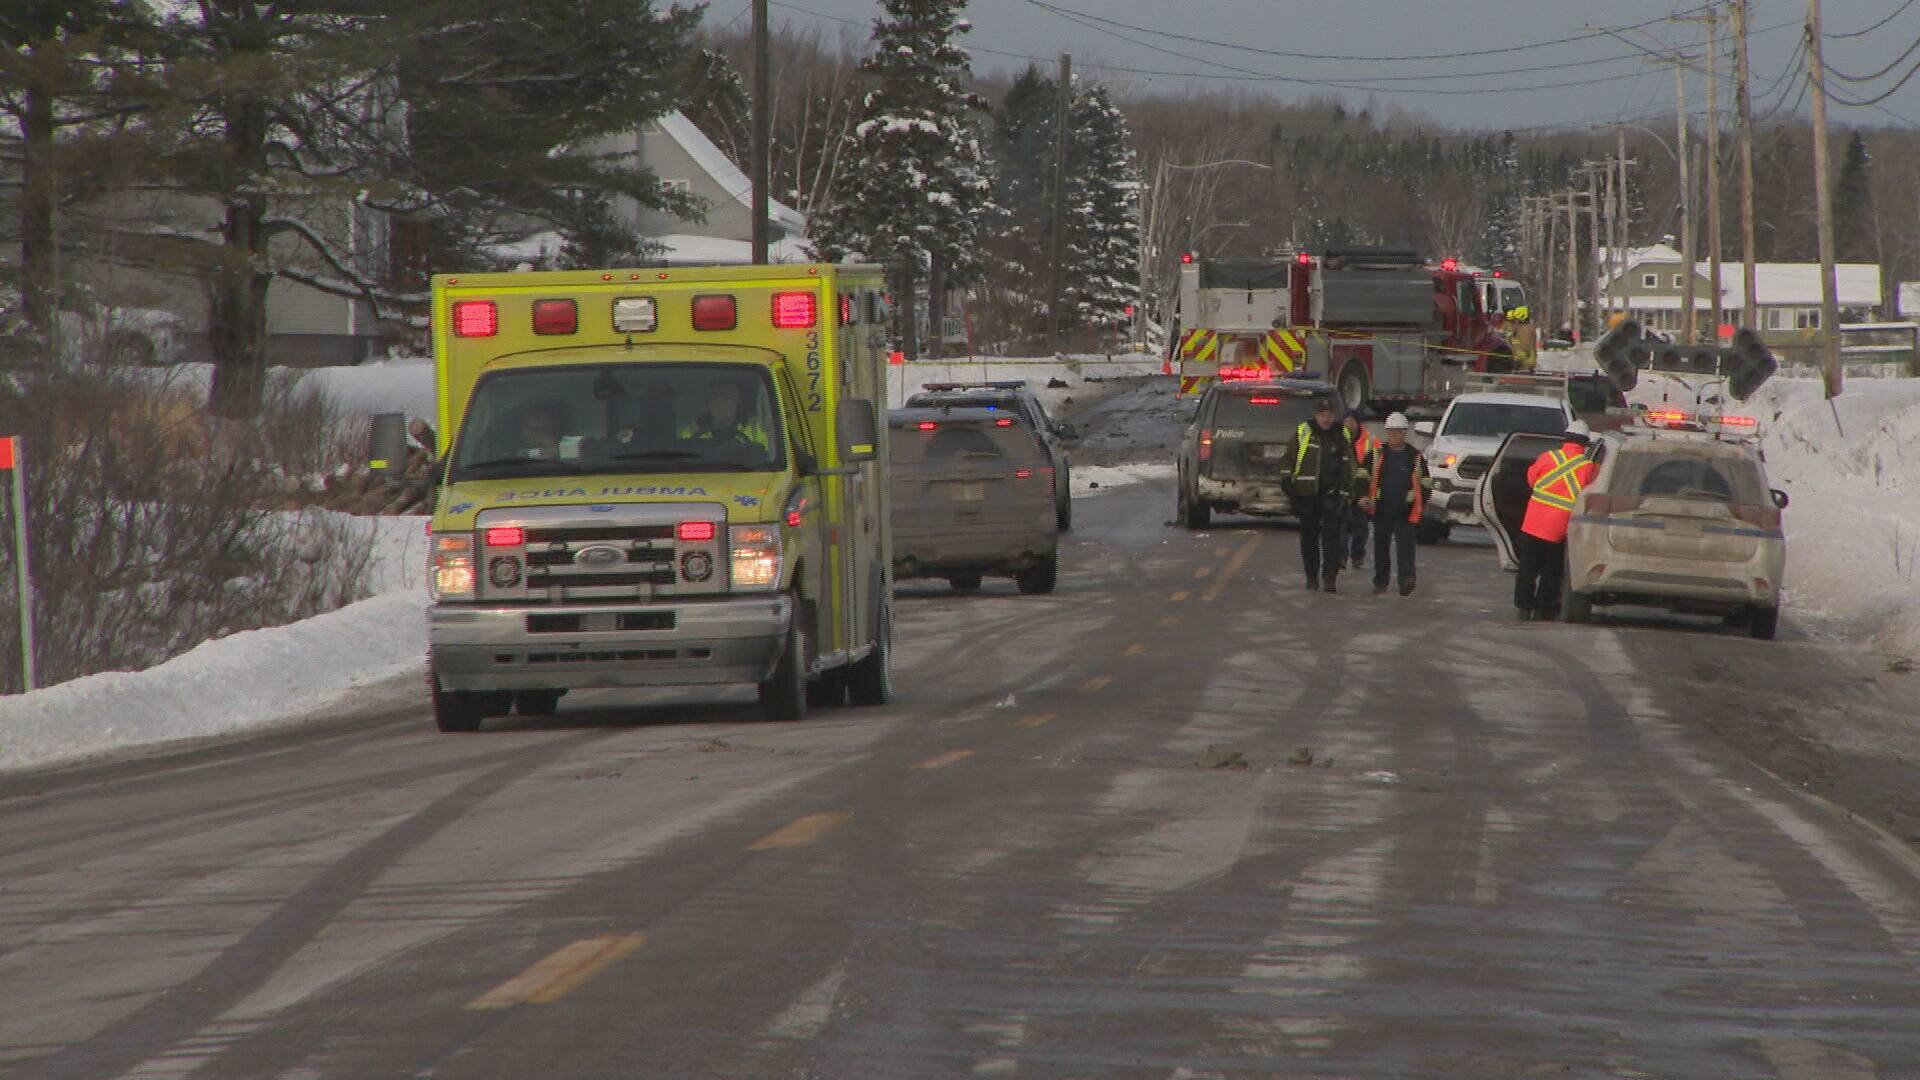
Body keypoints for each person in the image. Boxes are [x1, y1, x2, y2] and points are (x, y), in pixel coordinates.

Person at [1514, 419, 1597, 621]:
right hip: (1560, 528)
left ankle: (1524, 608)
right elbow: (1593, 495)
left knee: (1527, 568)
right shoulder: (1589, 467)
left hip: (1532, 523)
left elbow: (1531, 480)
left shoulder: (1547, 457)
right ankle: (1544, 608)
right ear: (1585, 444)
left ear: (1565, 438)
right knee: (1552, 570)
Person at [1356, 412, 1432, 596]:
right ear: (1387, 432)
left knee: (1406, 548)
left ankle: (1406, 581)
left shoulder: (1415, 457)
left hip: (1405, 511)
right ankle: (1381, 582)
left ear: (1405, 432)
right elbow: (1362, 477)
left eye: (1398, 431)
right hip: (1381, 509)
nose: (1395, 435)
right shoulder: (1376, 454)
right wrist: (1362, 496)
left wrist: (1417, 501)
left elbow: (1426, 483)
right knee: (1381, 547)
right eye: (1392, 431)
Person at [1287, 397, 1355, 593]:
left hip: (1332, 495)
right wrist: (1288, 484)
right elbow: (1289, 460)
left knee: (1332, 538)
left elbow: (1348, 465)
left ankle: (1329, 578)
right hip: (1307, 494)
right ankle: (1311, 576)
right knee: (1308, 538)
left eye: (1329, 415)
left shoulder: (1341, 434)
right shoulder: (1304, 432)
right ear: (1315, 416)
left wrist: (1346, 491)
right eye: (1322, 415)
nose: (1326, 419)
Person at [678, 377, 770, 452]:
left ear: (738, 401)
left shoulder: (757, 428)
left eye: (726, 397)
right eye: (715, 397)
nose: (720, 402)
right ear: (708, 401)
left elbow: (767, 456)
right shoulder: (689, 432)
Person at [1341, 411, 1374, 571]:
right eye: (1346, 420)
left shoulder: (1369, 441)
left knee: (1361, 529)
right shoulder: (1338, 439)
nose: (1349, 424)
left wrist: (1366, 495)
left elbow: (1374, 469)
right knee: (1342, 527)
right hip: (1342, 491)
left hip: (1361, 492)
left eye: (1352, 421)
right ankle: (1341, 558)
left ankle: (1357, 558)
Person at [1506, 305, 1538, 372]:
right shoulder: (1527, 327)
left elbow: (1524, 345)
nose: (1515, 320)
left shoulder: (1525, 329)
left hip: (1524, 362)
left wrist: (1518, 355)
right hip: (1527, 361)